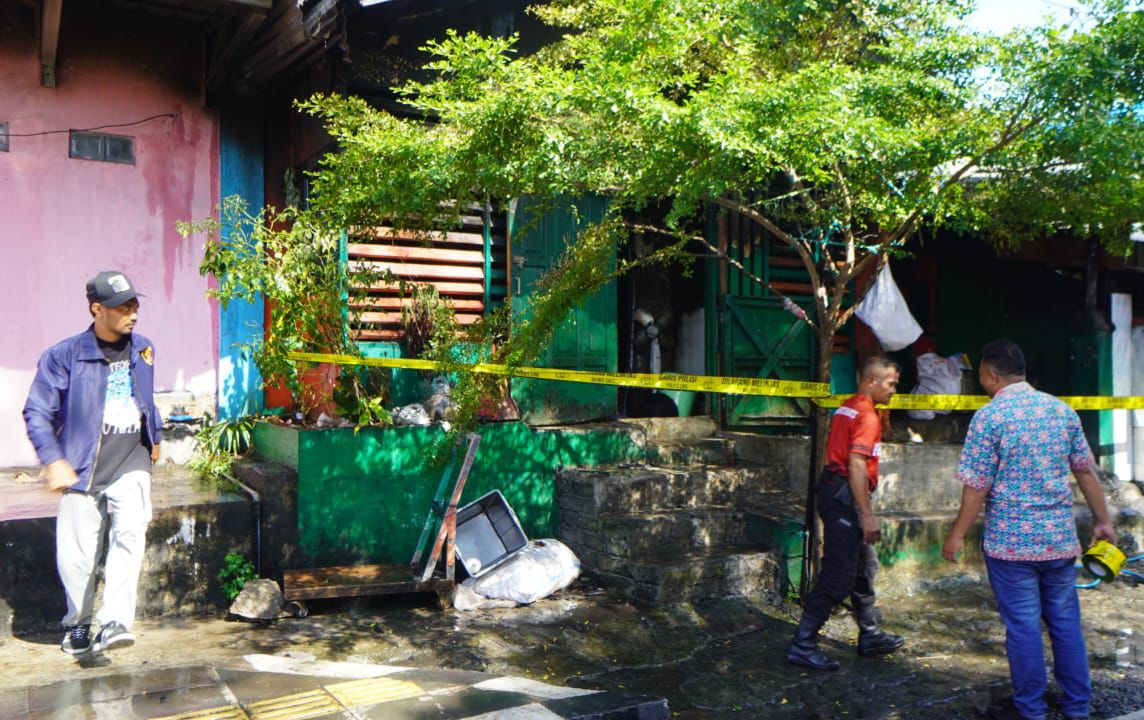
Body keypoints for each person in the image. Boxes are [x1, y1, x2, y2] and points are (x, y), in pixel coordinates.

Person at [943, 339, 1116, 720]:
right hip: (1057, 542)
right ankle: (1077, 708)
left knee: (1022, 628)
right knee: (1066, 624)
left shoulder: (990, 417)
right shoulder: (1061, 411)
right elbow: (1085, 470)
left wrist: (956, 534)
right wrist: (1103, 520)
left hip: (1011, 546)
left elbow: (976, 487)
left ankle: (1031, 710)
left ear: (990, 374)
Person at [23, 271, 162, 657]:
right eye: (123, 307)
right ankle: (80, 623)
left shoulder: (144, 349)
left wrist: (157, 437)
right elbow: (36, 412)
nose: (132, 314)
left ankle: (116, 620)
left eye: (135, 305)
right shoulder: (63, 356)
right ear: (97, 309)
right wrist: (53, 460)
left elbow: (146, 398)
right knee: (77, 557)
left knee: (130, 533)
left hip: (130, 460)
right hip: (81, 467)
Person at [787, 356, 905, 671]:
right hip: (844, 495)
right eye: (891, 383)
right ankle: (803, 644)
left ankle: (870, 635)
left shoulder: (847, 406)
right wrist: (867, 515)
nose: (894, 390)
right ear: (871, 381)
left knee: (863, 567)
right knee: (839, 576)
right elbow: (856, 465)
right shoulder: (867, 416)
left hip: (833, 490)